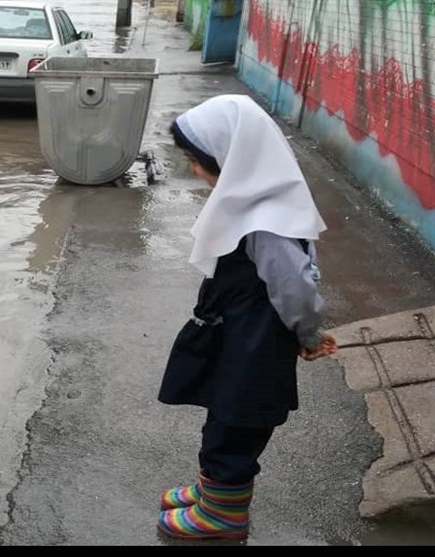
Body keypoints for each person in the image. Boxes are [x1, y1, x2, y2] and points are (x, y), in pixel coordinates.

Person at [155, 94, 338, 540]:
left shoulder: (266, 220)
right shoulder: (250, 204)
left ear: (233, 160)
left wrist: (309, 335)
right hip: (238, 333)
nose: (194, 170)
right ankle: (213, 492)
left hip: (255, 342)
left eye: (199, 162)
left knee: (237, 422)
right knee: (223, 412)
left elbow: (296, 287)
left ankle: (225, 514)